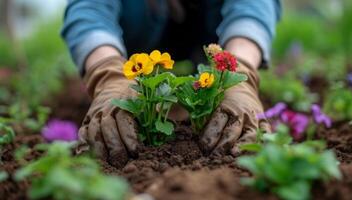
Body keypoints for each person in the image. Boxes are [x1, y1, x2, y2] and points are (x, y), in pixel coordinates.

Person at [61, 0, 281, 167]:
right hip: (137, 38)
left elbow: (254, 6)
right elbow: (88, 11)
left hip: (210, 30)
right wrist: (108, 74)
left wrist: (240, 69)